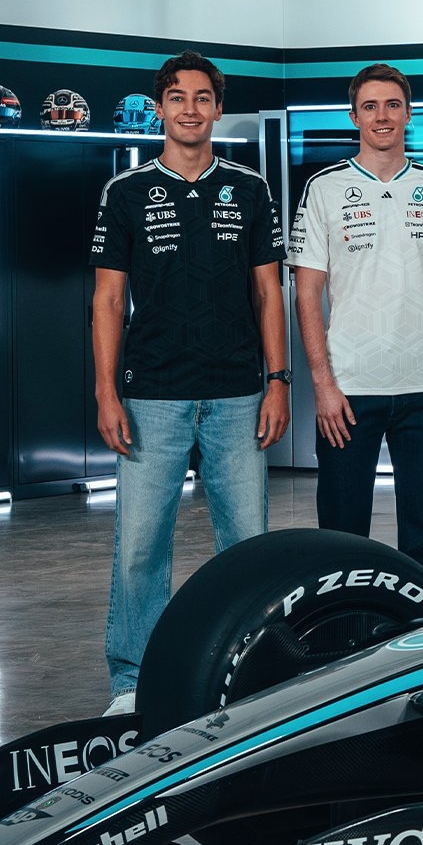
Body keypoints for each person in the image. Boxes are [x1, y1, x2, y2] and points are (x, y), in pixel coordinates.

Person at [90, 50, 286, 715]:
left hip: (237, 394)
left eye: (203, 98)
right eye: (178, 98)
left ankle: (251, 670)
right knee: (141, 547)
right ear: (160, 108)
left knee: (247, 548)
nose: (191, 109)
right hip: (151, 397)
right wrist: (106, 391)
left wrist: (279, 380)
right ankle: (130, 681)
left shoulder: (251, 189)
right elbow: (108, 302)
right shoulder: (125, 193)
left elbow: (269, 293)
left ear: (217, 109)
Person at [289, 62, 423, 586]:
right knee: (342, 538)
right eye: (370, 106)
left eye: (393, 105)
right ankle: (344, 642)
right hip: (348, 393)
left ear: (408, 113)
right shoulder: (323, 189)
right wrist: (323, 385)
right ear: (354, 116)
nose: (382, 116)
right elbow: (306, 294)